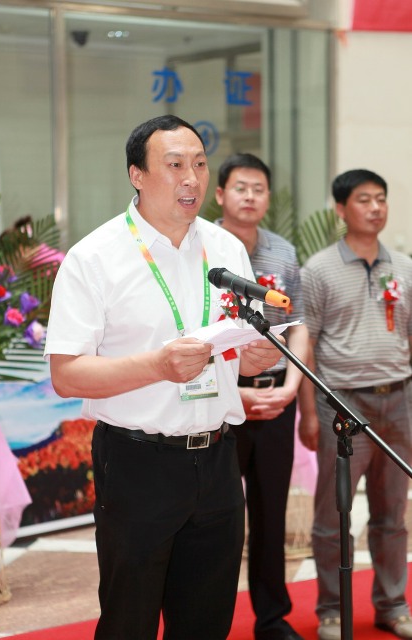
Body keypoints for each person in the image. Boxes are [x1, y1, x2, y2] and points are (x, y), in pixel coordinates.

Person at [43, 115, 284, 640]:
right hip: (138, 463)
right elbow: (66, 374)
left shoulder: (226, 249)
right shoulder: (95, 257)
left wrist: (254, 356)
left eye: (199, 164)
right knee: (129, 620)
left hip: (219, 458)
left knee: (206, 621)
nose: (191, 179)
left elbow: (234, 355)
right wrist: (158, 365)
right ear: (137, 174)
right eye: (174, 165)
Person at [299, 169, 412, 640]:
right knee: (333, 516)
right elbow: (305, 344)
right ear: (341, 209)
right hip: (341, 405)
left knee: (393, 515)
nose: (375, 207)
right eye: (364, 199)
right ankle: (331, 609)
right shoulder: (318, 269)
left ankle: (393, 605)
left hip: (399, 399)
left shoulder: (404, 266)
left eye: (381, 198)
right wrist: (309, 412)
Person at [215, 152, 309, 640]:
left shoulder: (283, 252)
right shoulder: (202, 248)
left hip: (275, 399)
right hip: (219, 402)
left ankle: (272, 619)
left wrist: (291, 387)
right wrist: (234, 393)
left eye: (258, 189)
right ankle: (209, 621)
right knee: (217, 517)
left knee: (271, 514)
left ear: (268, 197)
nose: (250, 197)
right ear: (219, 195)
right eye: (240, 187)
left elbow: (299, 324)